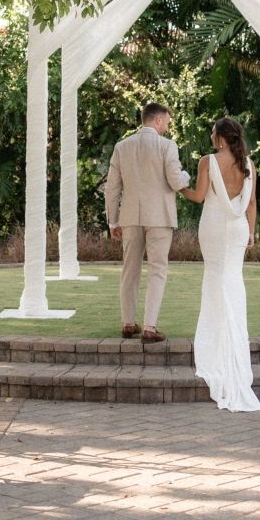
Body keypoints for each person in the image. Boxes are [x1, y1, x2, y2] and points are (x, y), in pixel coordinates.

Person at [183, 116, 260, 411]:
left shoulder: (207, 161)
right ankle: (233, 340)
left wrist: (179, 187)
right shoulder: (248, 164)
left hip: (214, 226)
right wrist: (251, 232)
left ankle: (215, 346)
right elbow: (251, 203)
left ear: (220, 137)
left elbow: (198, 196)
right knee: (233, 280)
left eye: (212, 132)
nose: (210, 136)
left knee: (215, 280)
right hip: (239, 227)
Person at [104, 101, 188, 343]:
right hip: (160, 217)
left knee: (129, 270)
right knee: (157, 270)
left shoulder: (122, 147)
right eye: (167, 123)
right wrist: (186, 175)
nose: (167, 128)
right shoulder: (167, 146)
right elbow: (176, 182)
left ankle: (128, 323)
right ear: (158, 119)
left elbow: (112, 189)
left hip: (130, 217)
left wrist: (113, 222)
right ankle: (150, 327)